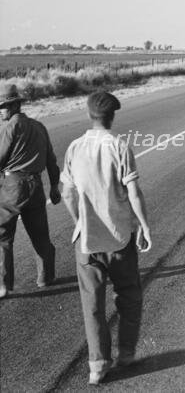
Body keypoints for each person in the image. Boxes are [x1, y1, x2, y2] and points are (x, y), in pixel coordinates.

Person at [61, 91, 153, 385]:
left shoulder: (74, 148)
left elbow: (67, 192)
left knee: (93, 305)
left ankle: (97, 365)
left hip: (86, 243)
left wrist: (80, 222)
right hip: (119, 239)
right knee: (129, 296)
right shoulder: (119, 147)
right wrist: (144, 226)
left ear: (89, 115)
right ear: (112, 116)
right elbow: (134, 193)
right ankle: (125, 352)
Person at [0, 84, 60, 299]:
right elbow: (51, 160)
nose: (1, 111)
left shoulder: (9, 127)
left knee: (3, 236)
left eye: (4, 106)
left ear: (16, 105)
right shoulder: (39, 126)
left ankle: (3, 285)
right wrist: (54, 185)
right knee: (40, 234)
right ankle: (46, 277)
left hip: (12, 187)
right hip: (36, 188)